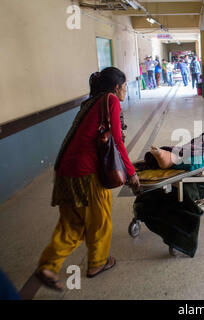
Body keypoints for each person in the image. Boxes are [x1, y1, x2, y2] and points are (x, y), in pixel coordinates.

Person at [35, 67, 140, 291]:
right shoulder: (110, 100)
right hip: (87, 173)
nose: (125, 90)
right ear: (116, 87)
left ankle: (47, 265)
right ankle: (98, 263)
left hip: (64, 171)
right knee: (99, 219)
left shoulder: (90, 103)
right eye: (124, 86)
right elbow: (118, 142)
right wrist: (131, 172)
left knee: (70, 224)